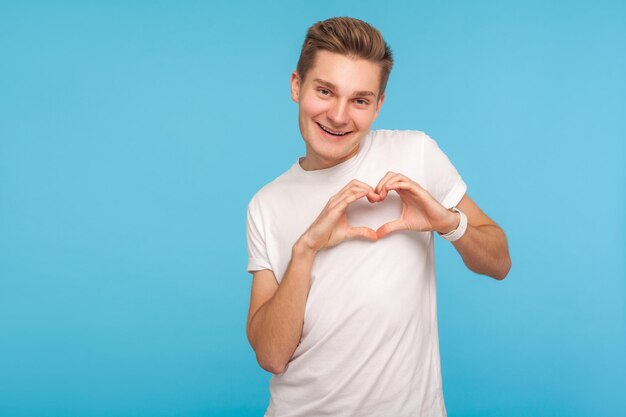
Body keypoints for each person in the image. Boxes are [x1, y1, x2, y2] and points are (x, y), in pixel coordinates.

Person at [245, 17, 511, 417]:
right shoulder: (266, 204)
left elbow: (499, 262)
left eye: (359, 100)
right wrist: (306, 248)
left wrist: (447, 223)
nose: (338, 115)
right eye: (324, 91)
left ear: (378, 105)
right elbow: (271, 356)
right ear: (296, 86)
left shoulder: (415, 154)